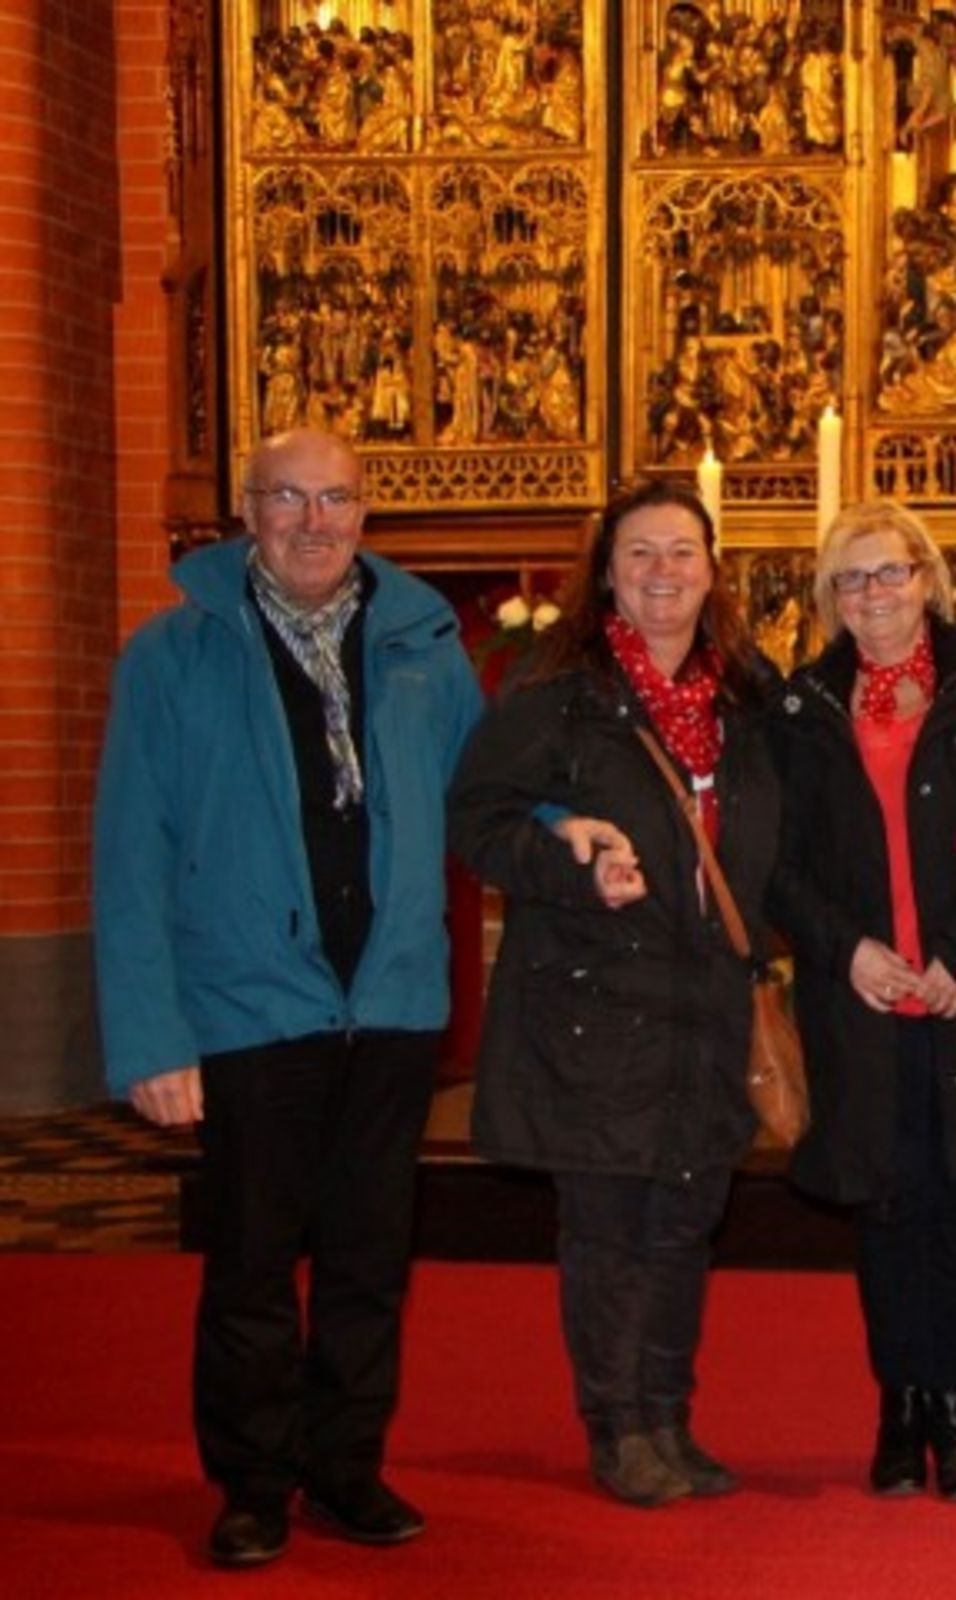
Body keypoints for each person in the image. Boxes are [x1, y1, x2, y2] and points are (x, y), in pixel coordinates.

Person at [93, 427, 483, 1568]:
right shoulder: (173, 655)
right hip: (249, 1006)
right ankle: (254, 1482)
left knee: (369, 1259)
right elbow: (129, 855)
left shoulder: (422, 645)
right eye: (289, 498)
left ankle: (345, 1464)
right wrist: (151, 1038)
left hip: (390, 1003)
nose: (315, 522)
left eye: (336, 499)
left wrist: (571, 827)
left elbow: (490, 789)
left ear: (365, 513)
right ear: (247, 512)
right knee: (253, 1263)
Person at [448, 478, 779, 1510]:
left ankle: (669, 1417)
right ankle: (618, 1427)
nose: (662, 572)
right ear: (606, 575)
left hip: (706, 1008)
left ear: (713, 571)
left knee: (685, 1223)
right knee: (608, 1230)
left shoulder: (746, 700)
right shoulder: (559, 695)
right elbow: (478, 820)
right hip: (596, 1008)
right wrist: (568, 857)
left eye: (682, 552)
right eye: (640, 553)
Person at [769, 502, 956, 1501]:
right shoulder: (801, 707)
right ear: (830, 597)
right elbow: (777, 865)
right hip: (862, 1000)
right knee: (887, 1206)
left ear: (929, 580)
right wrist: (848, 951)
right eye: (852, 577)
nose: (873, 593)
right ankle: (898, 1404)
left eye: (891, 572)